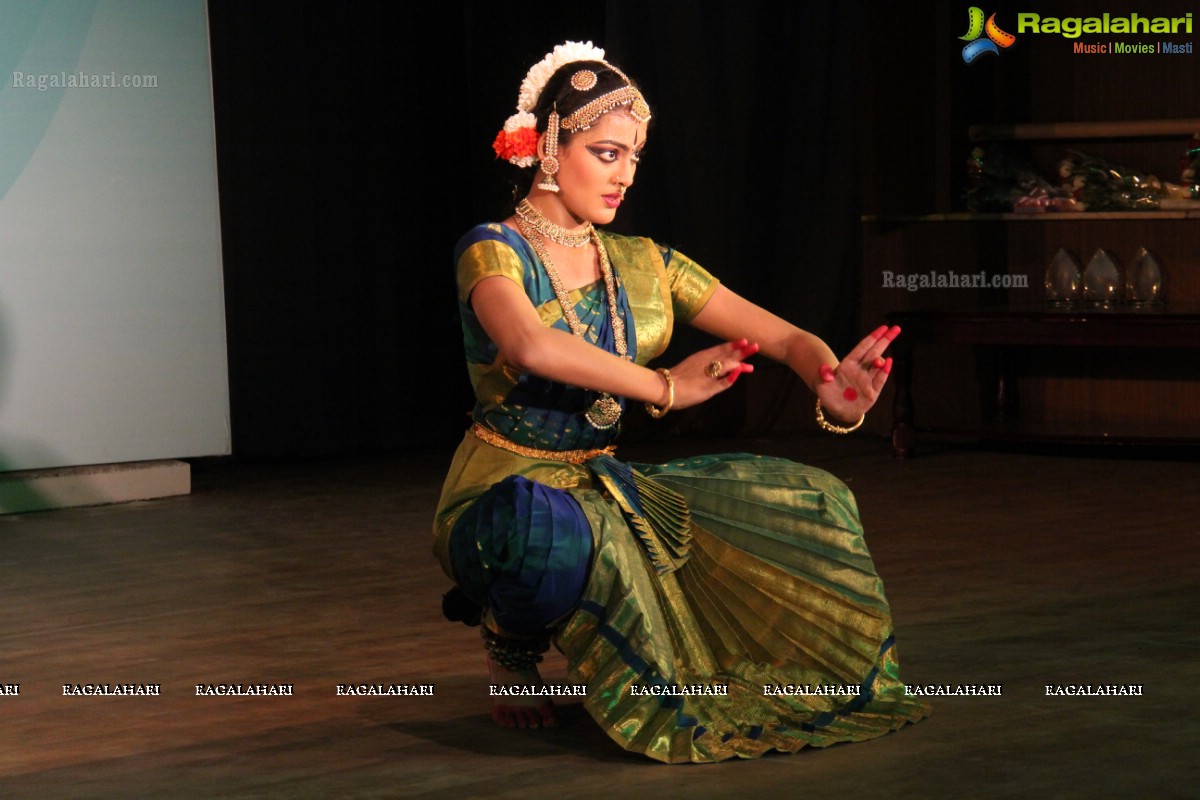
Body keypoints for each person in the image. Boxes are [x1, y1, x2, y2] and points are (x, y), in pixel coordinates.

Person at [434, 41, 929, 763]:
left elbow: (788, 338)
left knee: (808, 497)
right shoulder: (492, 250)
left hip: (603, 482)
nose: (625, 175)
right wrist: (668, 387)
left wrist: (836, 389)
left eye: (633, 157)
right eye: (607, 153)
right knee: (549, 529)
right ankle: (511, 648)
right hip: (503, 486)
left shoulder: (646, 263)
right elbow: (531, 347)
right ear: (547, 147)